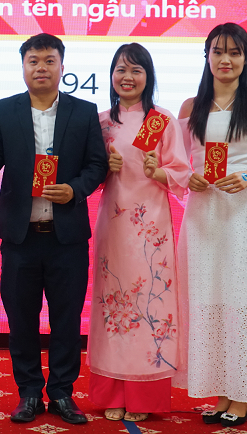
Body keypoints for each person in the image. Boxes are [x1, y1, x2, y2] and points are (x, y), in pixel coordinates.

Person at [0, 33, 108, 425]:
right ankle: (29, 393)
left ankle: (62, 393)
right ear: (23, 66)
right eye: (33, 61)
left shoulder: (84, 112)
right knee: (22, 321)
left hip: (66, 238)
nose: (41, 68)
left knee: (66, 321)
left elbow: (97, 165)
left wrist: (75, 190)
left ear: (62, 66)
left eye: (49, 61)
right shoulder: (4, 110)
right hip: (21, 237)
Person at [175, 23, 247, 427]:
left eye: (235, 52)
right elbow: (179, 163)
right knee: (207, 303)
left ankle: (242, 396)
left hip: (245, 215)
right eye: (218, 52)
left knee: (243, 302)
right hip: (202, 215)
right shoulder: (190, 106)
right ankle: (221, 393)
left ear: (246, 58)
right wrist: (187, 178)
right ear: (207, 56)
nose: (225, 60)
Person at [86, 43, 191, 422]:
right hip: (113, 225)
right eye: (120, 70)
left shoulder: (161, 120)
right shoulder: (100, 122)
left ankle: (144, 397)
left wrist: (156, 170)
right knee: (112, 306)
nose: (127, 77)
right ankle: (112, 393)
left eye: (136, 70)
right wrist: (105, 168)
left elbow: (182, 173)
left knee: (151, 304)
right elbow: (88, 176)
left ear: (148, 76)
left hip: (150, 230)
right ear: (111, 76)